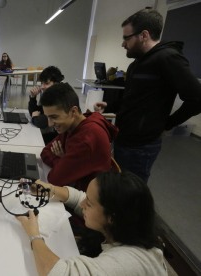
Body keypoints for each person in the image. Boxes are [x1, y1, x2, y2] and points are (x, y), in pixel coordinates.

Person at [93, 9, 201, 183]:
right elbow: (134, 97)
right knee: (119, 187)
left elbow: (197, 98)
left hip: (141, 145)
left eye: (127, 38)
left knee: (131, 194)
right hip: (125, 137)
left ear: (144, 35)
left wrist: (168, 124)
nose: (123, 44)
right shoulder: (138, 63)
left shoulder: (169, 58)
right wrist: (110, 105)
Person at [16, 171, 167, 276]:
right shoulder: (127, 224)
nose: (82, 204)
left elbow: (60, 273)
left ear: (112, 217)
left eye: (88, 203)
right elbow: (78, 198)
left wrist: (33, 235)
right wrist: (50, 190)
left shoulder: (129, 261)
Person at [40, 83, 118, 193]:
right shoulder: (73, 124)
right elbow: (46, 152)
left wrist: (63, 161)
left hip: (87, 202)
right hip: (75, 189)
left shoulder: (86, 138)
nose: (50, 124)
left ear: (73, 111)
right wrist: (63, 162)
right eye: (47, 117)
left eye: (54, 117)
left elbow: (55, 178)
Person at [29, 66, 65, 144]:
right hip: (52, 135)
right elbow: (35, 111)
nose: (42, 87)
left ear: (57, 83)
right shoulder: (49, 94)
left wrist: (34, 117)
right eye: (42, 83)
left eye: (46, 83)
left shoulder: (61, 97)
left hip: (58, 140)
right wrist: (33, 97)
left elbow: (42, 121)